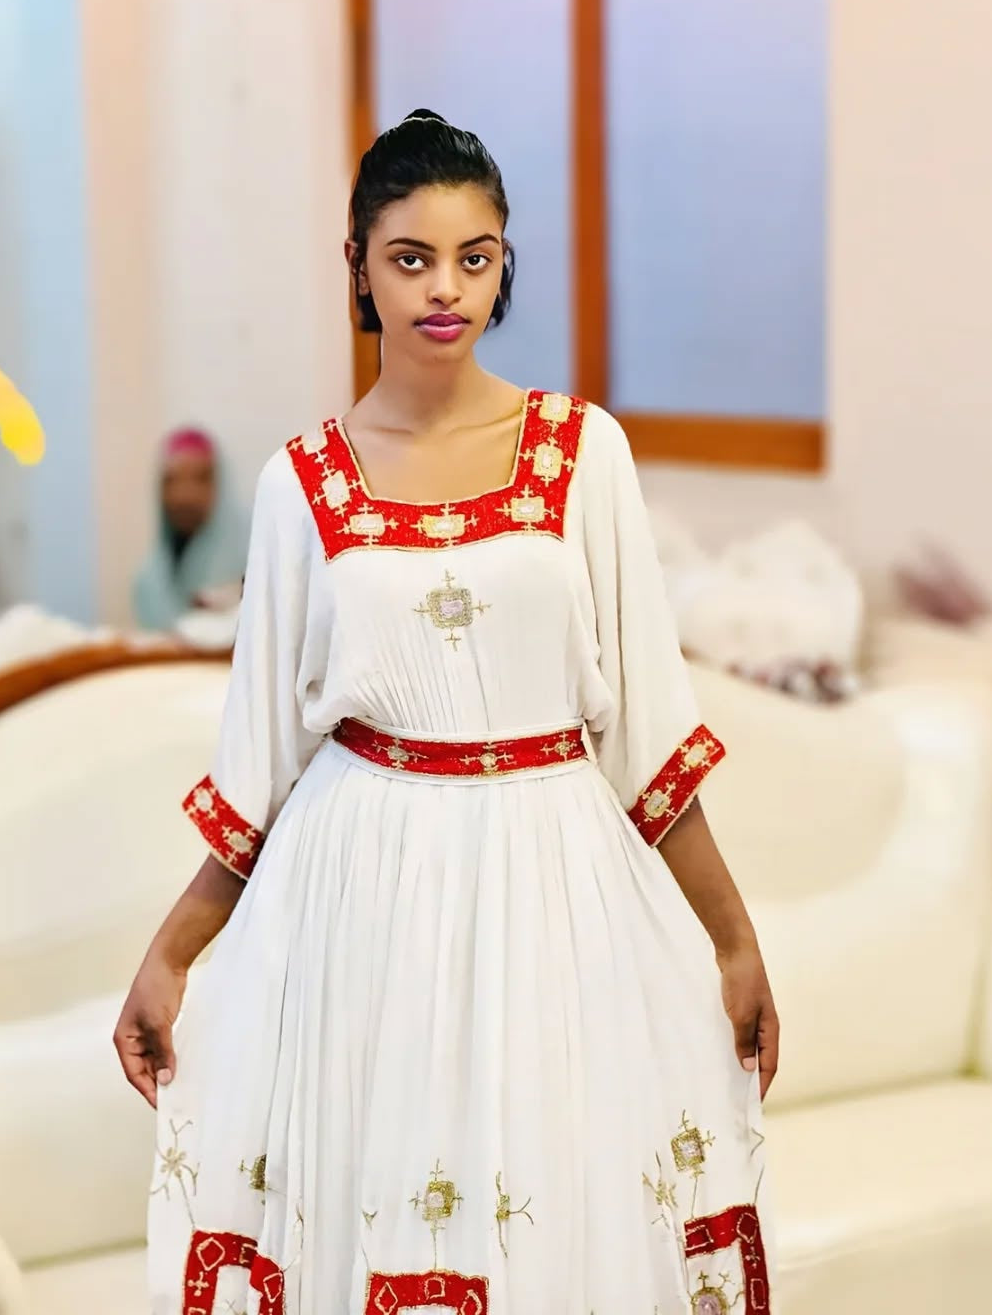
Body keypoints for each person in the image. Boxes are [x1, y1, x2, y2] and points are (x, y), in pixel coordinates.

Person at [116, 111, 780, 1312]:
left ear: (506, 265)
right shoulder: (296, 483)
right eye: (410, 258)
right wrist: (170, 956)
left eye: (475, 258)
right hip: (357, 900)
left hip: (554, 893)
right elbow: (261, 759)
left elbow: (648, 733)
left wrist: (732, 938)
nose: (444, 289)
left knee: (550, 1216)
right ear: (359, 269)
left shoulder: (584, 453)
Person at [134, 427, 249, 632]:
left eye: (200, 479)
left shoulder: (255, 559)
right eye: (172, 480)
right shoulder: (149, 580)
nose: (184, 495)